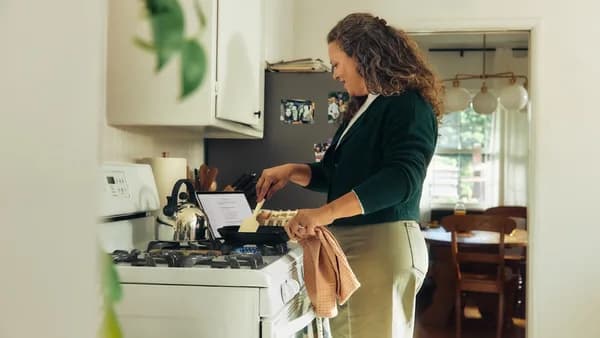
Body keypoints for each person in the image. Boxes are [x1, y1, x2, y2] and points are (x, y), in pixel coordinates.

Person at [255, 13, 443, 338]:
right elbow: (335, 175)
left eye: (337, 63)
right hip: (362, 244)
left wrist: (324, 214)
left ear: (364, 56)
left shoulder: (408, 105)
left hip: (381, 245)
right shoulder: (367, 107)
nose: (335, 74)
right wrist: (291, 171)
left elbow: (402, 178)